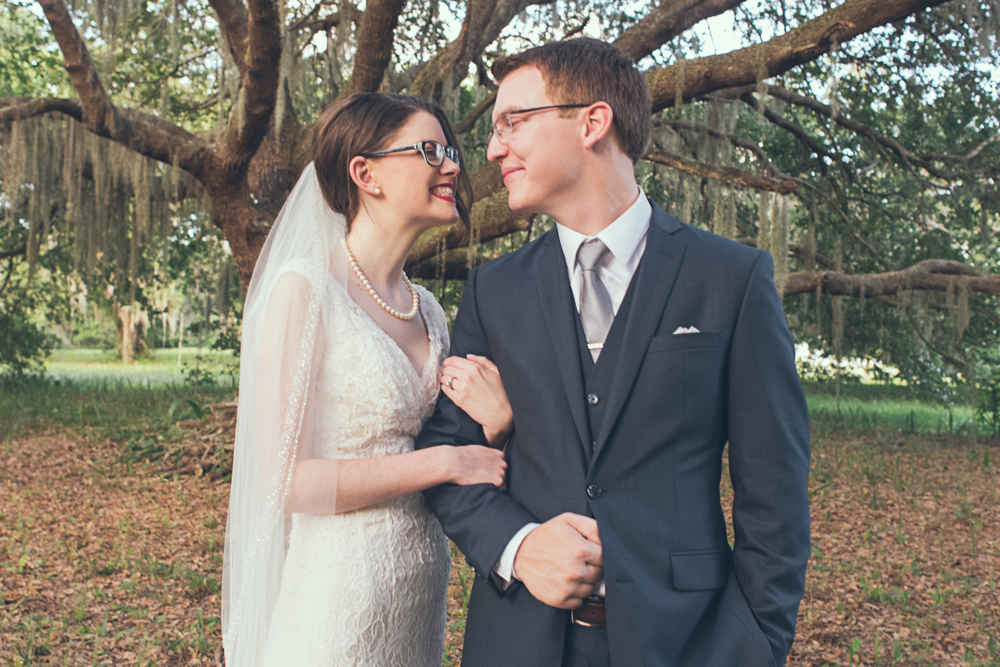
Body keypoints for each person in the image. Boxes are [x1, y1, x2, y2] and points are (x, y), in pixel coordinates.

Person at [417, 38, 811, 667]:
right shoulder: (495, 290)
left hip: (685, 642)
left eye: (512, 122)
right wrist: (518, 547)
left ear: (592, 122)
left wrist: (752, 646)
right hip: (519, 641)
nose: (493, 149)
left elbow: (777, 497)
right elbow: (447, 457)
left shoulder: (730, 278)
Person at [221, 93, 515, 667]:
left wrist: (497, 425)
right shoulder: (303, 291)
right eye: (431, 150)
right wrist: (446, 463)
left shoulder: (428, 308)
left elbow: (464, 453)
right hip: (337, 610)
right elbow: (288, 483)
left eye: (450, 150)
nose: (452, 165)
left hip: (419, 606)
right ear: (365, 174)